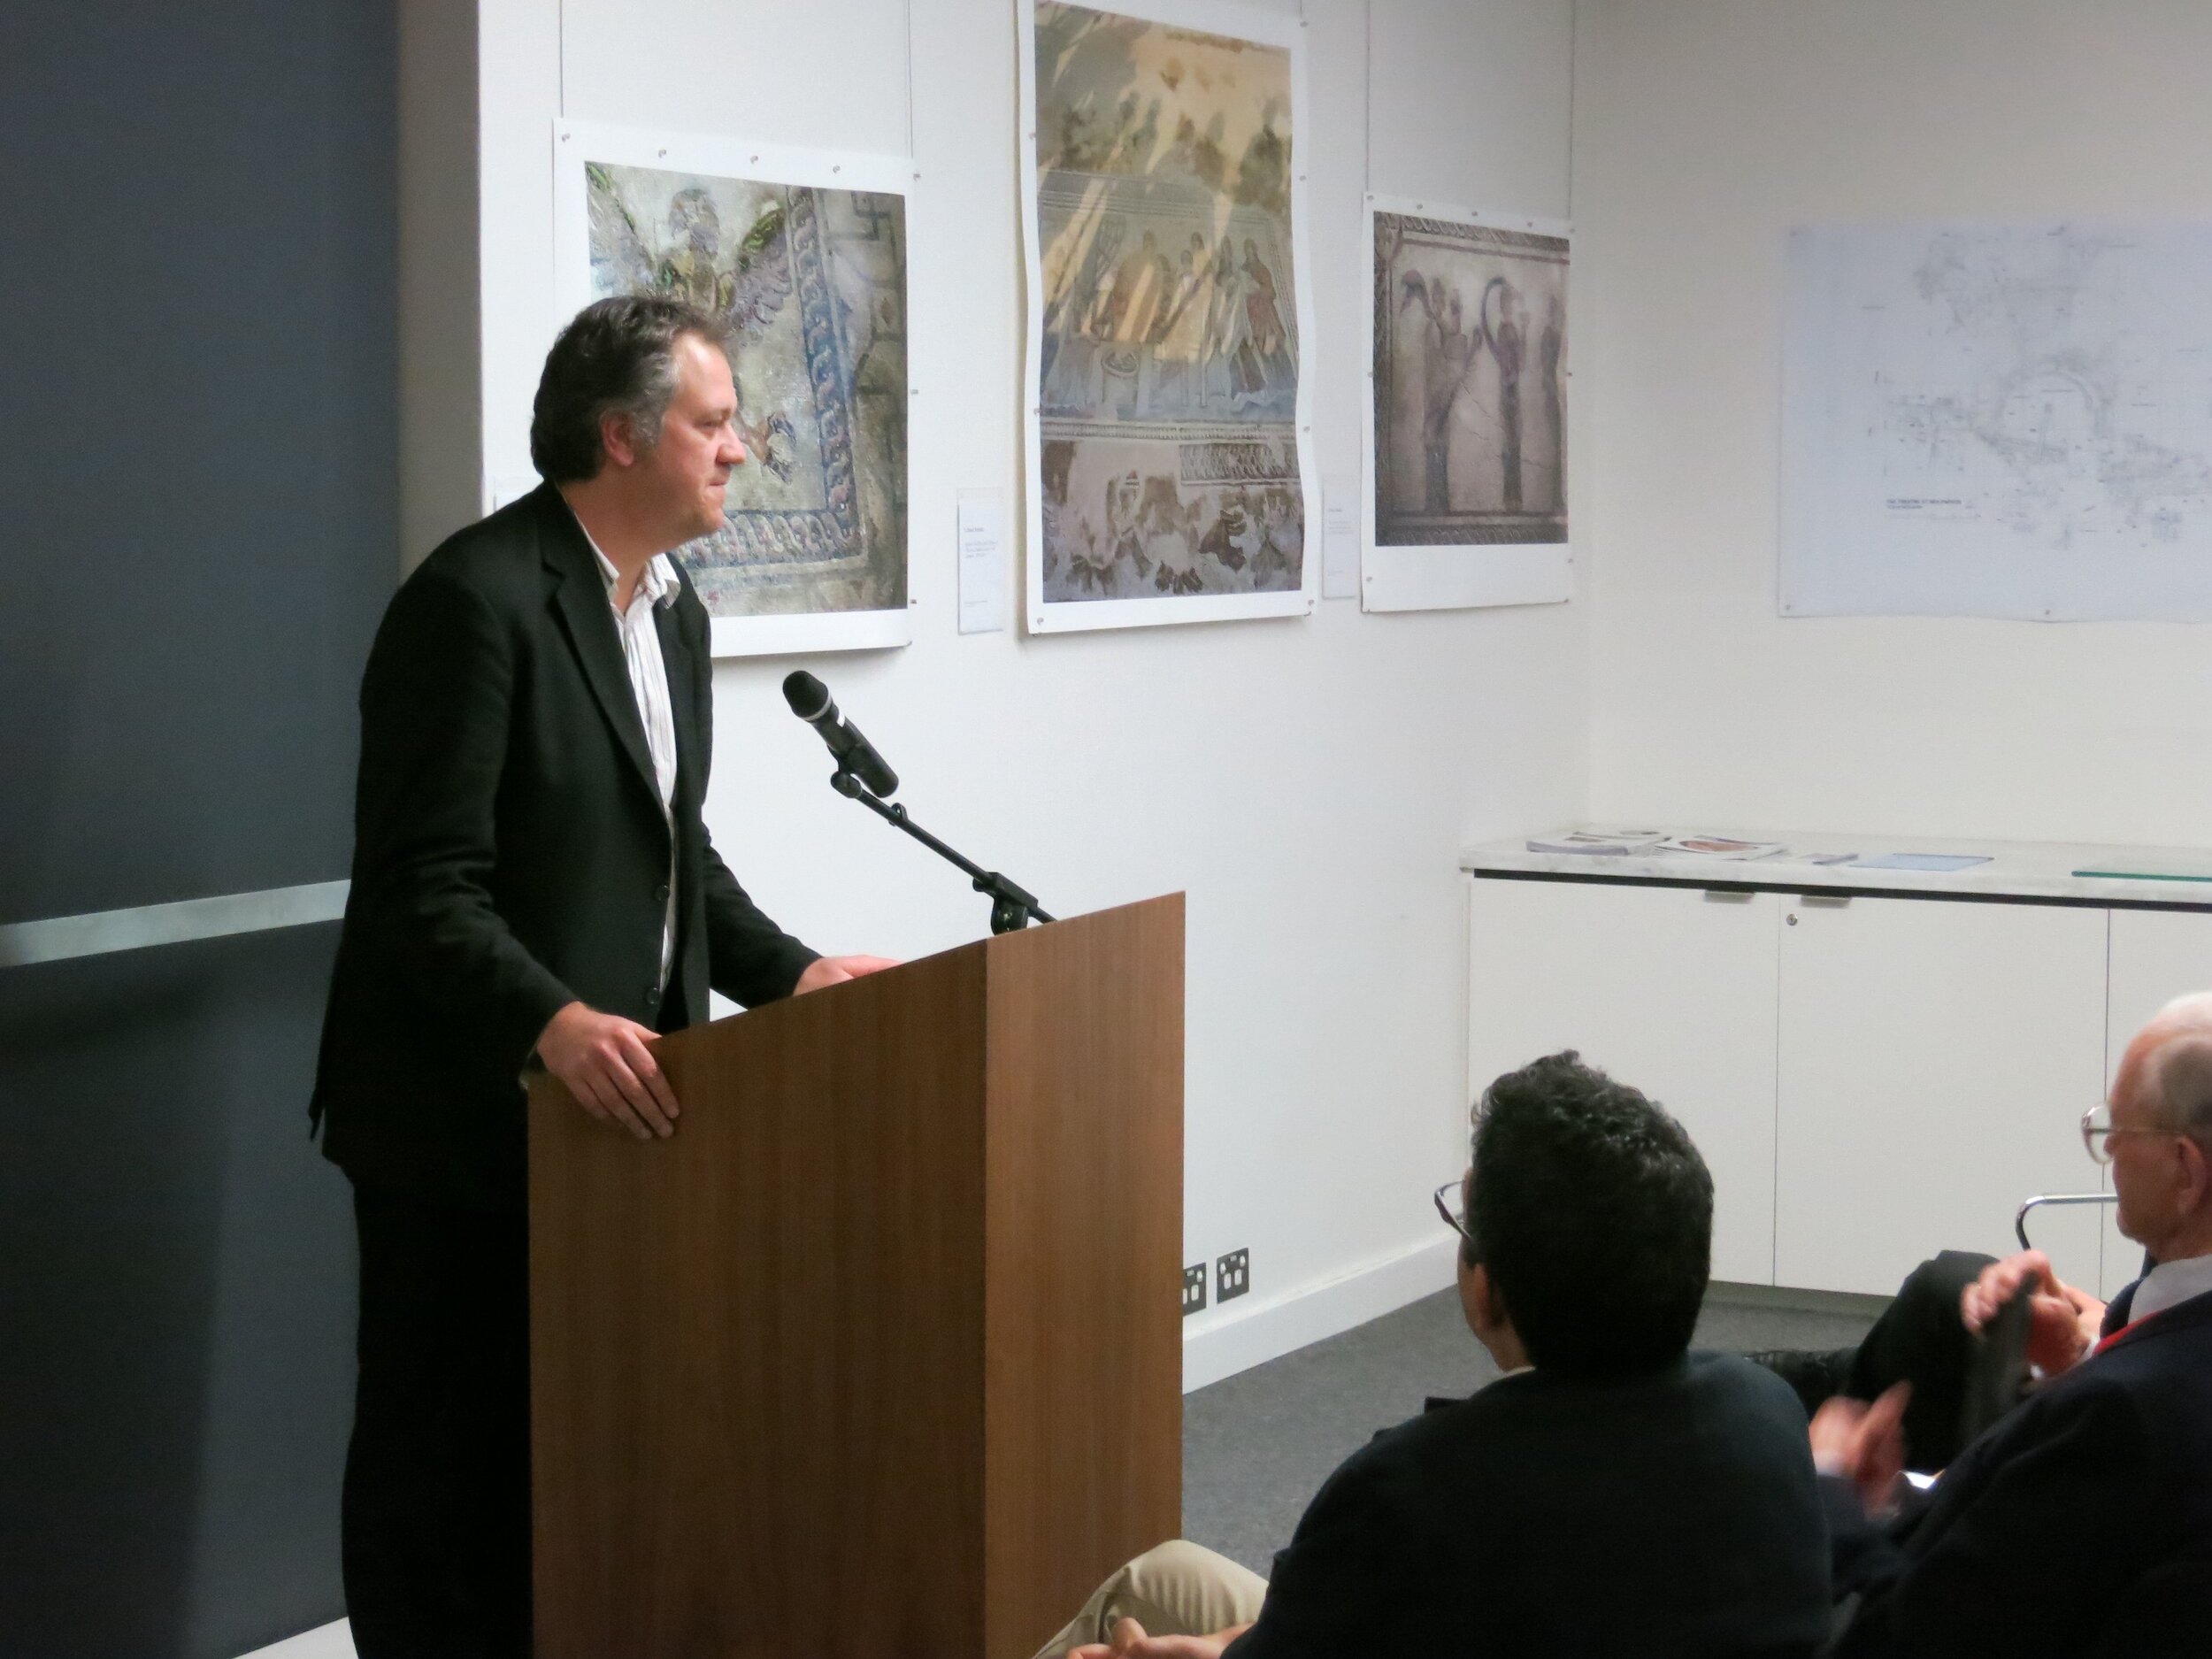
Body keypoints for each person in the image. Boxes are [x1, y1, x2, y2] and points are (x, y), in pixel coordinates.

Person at [310, 294, 892, 1658]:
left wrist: (793, 974)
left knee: (573, 1456)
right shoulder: (474, 600)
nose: (741, 448)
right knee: (440, 1471)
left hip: (617, 1118)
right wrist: (550, 1020)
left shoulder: (669, 611)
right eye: (713, 420)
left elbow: (669, 847)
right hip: (459, 1127)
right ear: (622, 436)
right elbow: (417, 885)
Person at [1036, 1052, 1832, 1659]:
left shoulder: (1411, 1492)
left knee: (1138, 1594)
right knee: (1172, 1572)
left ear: (1486, 1291)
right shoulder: (1766, 1415)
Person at [1810, 993, 2212, 1655]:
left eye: (2122, 1128)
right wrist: (2079, 1354)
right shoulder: (2137, 1366)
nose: (2108, 1145)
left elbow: (1911, 1634)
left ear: (2186, 1170)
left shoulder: (2117, 1418)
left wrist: (1831, 1490)